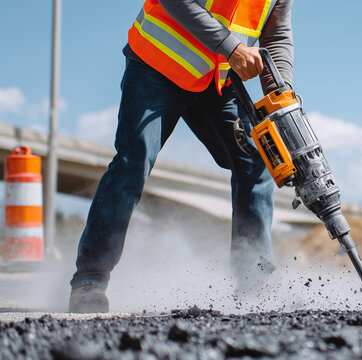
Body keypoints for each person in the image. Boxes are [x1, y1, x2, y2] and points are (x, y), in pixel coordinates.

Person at [68, 0, 294, 313]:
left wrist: (280, 97)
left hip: (218, 81)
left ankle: (253, 285)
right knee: (133, 163)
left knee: (258, 161)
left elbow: (276, 36)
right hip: (157, 65)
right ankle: (89, 280)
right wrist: (231, 48)